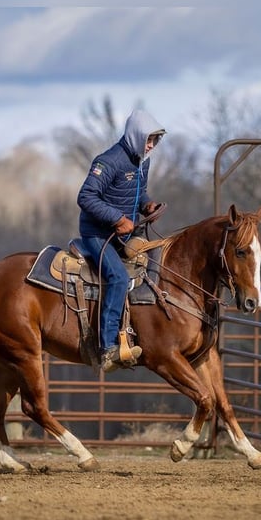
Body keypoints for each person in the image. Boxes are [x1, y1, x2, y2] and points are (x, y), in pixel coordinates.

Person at [77, 109, 166, 372]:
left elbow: (136, 193)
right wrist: (117, 219)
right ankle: (107, 348)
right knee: (117, 277)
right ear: (136, 135)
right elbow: (86, 197)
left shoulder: (142, 161)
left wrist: (147, 204)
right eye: (148, 139)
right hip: (97, 235)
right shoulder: (108, 161)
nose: (151, 145)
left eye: (155, 141)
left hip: (123, 233)